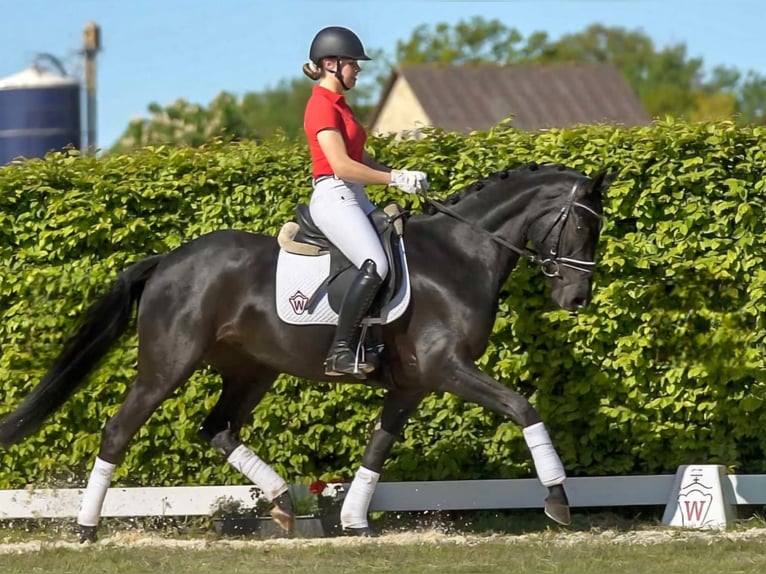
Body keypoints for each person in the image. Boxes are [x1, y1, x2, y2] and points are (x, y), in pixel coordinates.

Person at [302, 25, 428, 378]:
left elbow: (360, 158)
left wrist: (399, 174)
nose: (358, 69)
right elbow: (341, 165)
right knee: (376, 263)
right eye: (353, 63)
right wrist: (392, 179)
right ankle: (340, 352)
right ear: (331, 64)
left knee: (396, 252)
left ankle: (374, 341)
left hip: (354, 195)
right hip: (334, 195)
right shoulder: (320, 107)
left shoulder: (341, 107)